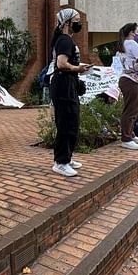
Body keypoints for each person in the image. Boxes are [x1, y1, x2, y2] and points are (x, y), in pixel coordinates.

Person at [49, 9, 89, 177]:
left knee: (72, 122)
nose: (79, 23)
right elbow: (61, 64)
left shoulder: (66, 40)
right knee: (66, 124)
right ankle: (61, 162)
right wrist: (78, 68)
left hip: (68, 83)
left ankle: (67, 157)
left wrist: (78, 70)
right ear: (66, 23)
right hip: (63, 84)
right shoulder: (64, 40)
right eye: (76, 20)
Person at [112, 22, 138, 150]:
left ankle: (130, 134)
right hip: (131, 80)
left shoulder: (124, 44)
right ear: (131, 32)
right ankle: (126, 138)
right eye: (136, 31)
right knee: (130, 110)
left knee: (132, 109)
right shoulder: (130, 43)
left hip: (129, 80)